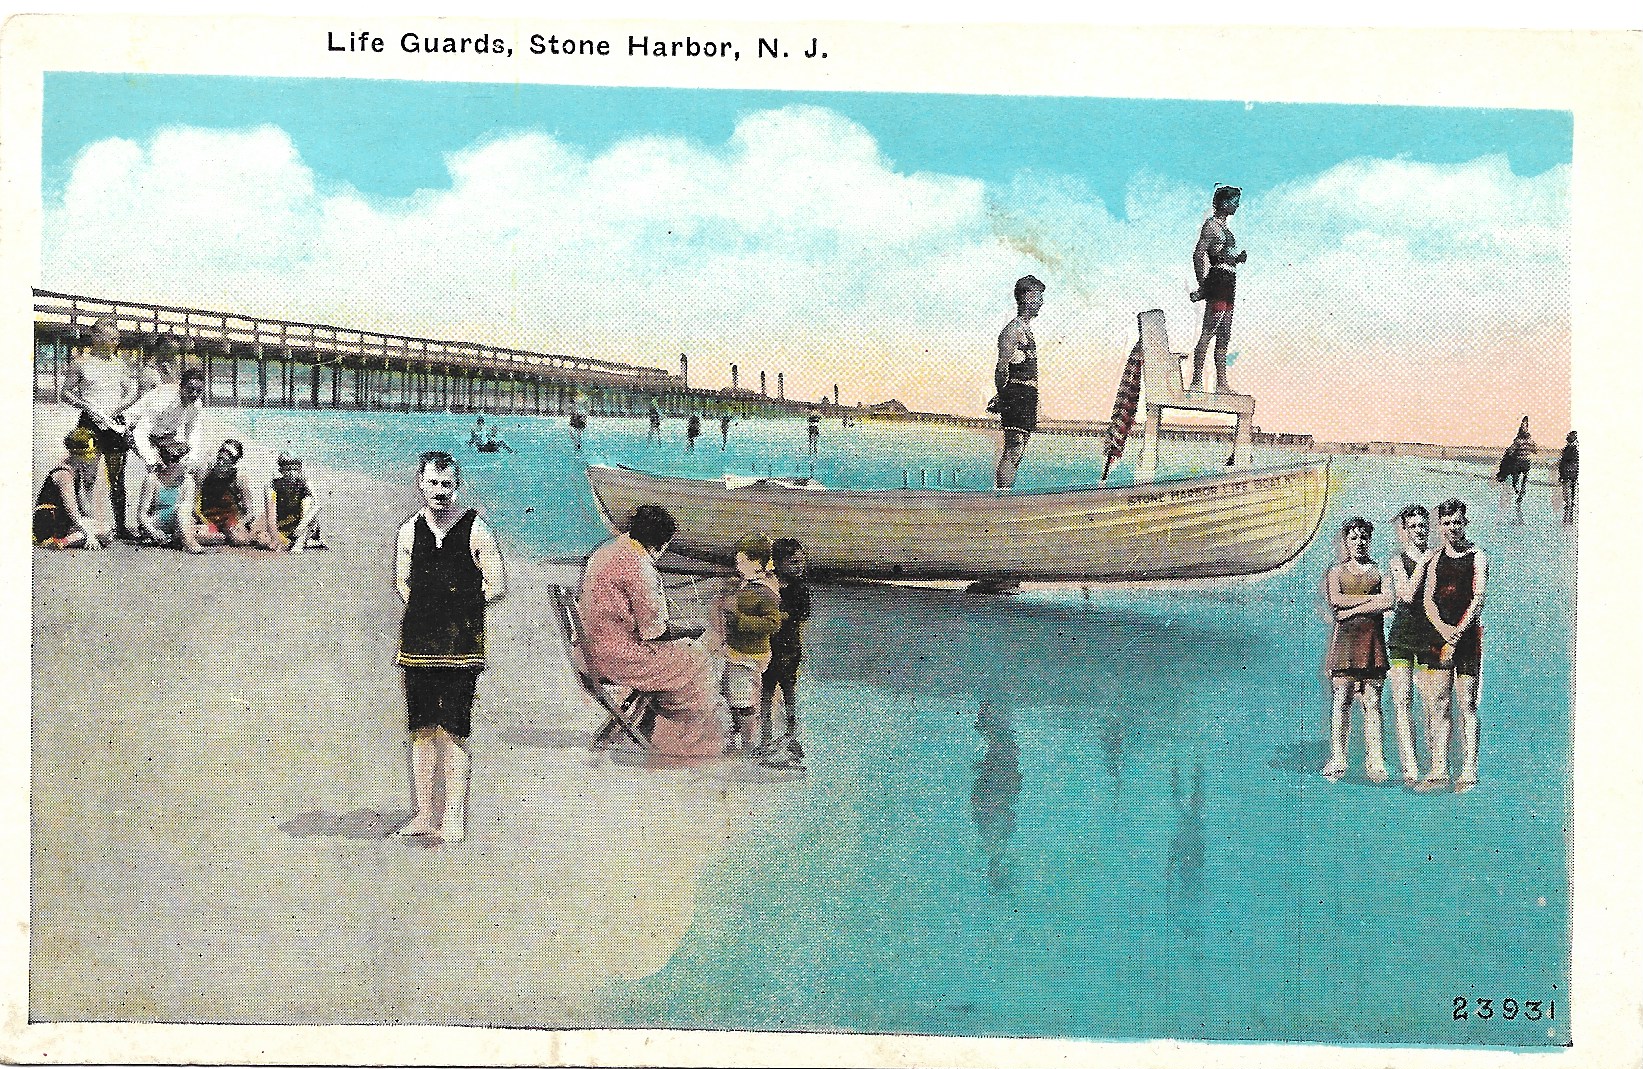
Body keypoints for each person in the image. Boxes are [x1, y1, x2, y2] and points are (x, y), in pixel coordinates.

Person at [394, 451, 506, 842]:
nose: (440, 491)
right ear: (420, 485)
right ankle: (424, 815)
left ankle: (453, 820)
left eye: (447, 484)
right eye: (433, 483)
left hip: (463, 648)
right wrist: (429, 614)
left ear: (457, 488)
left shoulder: (476, 528)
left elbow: (496, 584)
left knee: (455, 731)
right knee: (422, 729)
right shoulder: (409, 531)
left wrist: (459, 613)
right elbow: (403, 585)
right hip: (418, 645)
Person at [578, 504, 725, 763]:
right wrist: (686, 630)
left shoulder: (606, 551)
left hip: (588, 652)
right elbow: (654, 630)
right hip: (616, 659)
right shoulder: (640, 565)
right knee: (697, 658)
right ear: (661, 543)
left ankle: (651, 726)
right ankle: (684, 738)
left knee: (681, 656)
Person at [1416, 499, 1487, 793]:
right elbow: (1428, 600)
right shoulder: (1434, 559)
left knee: (1466, 703)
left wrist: (1457, 632)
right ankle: (1438, 768)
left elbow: (1478, 598)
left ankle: (1469, 768)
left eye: (1457, 522)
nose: (1452, 528)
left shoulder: (1477, 555)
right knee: (1439, 703)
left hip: (1467, 637)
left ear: (1464, 523)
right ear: (1440, 526)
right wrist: (1444, 631)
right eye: (1446, 523)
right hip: (1439, 637)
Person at [1320, 517, 1393, 783]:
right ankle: (1338, 756)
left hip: (1372, 642)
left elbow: (1389, 601)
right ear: (1346, 541)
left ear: (1369, 541)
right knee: (1342, 700)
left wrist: (1353, 610)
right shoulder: (1336, 572)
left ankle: (1375, 757)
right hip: (1346, 643)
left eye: (1364, 537)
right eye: (1354, 538)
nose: (1360, 542)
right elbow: (1336, 600)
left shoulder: (1379, 571)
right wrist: (1372, 600)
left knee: (1373, 703)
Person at [59, 316, 137, 540]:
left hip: (114, 423)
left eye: (117, 338)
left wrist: (117, 409)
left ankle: (121, 527)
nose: (114, 342)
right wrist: (85, 405)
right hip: (90, 423)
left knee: (117, 476)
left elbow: (131, 392)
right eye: (110, 337)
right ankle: (83, 522)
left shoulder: (121, 364)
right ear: (95, 336)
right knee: (88, 475)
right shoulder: (80, 362)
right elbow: (65, 392)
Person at [1384, 505, 1439, 787]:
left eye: (1423, 526)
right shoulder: (1397, 561)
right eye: (1414, 526)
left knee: (1431, 701)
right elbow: (1405, 595)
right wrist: (1423, 563)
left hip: (1429, 638)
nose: (1420, 531)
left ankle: (1434, 764)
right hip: (1402, 637)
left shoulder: (1438, 558)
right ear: (1405, 531)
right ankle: (1410, 766)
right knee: (1402, 701)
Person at [720, 535, 785, 754]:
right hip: (737, 651)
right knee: (730, 693)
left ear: (757, 562)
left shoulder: (765, 592)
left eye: (742, 562)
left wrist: (741, 620)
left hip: (749, 655)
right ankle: (738, 733)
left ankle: (747, 743)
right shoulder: (747, 585)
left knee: (742, 699)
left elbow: (773, 623)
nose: (737, 566)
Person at [757, 537, 812, 770]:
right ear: (778, 564)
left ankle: (790, 734)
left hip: (788, 648)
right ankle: (766, 737)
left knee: (787, 689)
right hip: (769, 646)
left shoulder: (800, 589)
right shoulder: (771, 586)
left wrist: (776, 616)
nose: (799, 566)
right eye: (793, 562)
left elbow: (801, 614)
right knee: (767, 691)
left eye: (801, 562)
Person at [1189, 185, 1248, 393]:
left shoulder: (1226, 229)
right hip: (1219, 281)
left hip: (1229, 280)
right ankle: (1196, 381)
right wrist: (1203, 285)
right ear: (1224, 203)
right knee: (1209, 330)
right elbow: (1199, 254)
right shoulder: (1211, 226)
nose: (1237, 206)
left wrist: (1237, 259)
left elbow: (1225, 255)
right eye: (1234, 201)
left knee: (1224, 332)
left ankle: (1222, 384)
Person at [992, 275, 1045, 490]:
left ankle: (1005, 495)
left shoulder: (1025, 329)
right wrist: (1004, 396)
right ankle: (1002, 499)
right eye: (1038, 296)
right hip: (1017, 394)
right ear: (1025, 297)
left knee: (1018, 450)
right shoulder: (1012, 330)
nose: (1041, 302)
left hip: (1027, 395)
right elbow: (1001, 369)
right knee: (1014, 447)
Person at [33, 428, 110, 550]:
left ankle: (71, 537)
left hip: (61, 519)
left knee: (104, 528)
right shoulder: (65, 475)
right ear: (75, 453)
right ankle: (62, 541)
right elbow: (73, 512)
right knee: (100, 531)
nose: (89, 460)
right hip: (49, 523)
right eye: (85, 457)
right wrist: (89, 535)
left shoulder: (74, 468)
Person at [187, 439, 264, 550]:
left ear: (235, 460)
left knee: (239, 539)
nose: (224, 456)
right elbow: (194, 504)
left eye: (229, 454)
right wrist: (200, 521)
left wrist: (240, 524)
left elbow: (250, 513)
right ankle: (219, 537)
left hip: (230, 520)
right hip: (207, 518)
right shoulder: (206, 472)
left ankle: (224, 536)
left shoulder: (239, 478)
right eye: (222, 451)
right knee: (196, 534)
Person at [128, 366, 206, 475]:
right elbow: (140, 432)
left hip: (161, 435)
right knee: (153, 470)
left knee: (185, 455)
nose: (194, 394)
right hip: (133, 429)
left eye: (198, 391)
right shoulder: (164, 400)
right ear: (181, 387)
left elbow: (193, 433)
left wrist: (192, 459)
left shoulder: (196, 404)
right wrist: (150, 458)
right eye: (190, 389)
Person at [133, 434, 203, 551]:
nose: (170, 462)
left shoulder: (187, 481)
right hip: (157, 523)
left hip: (177, 523)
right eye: (165, 456)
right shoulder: (153, 479)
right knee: (181, 509)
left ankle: (182, 538)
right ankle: (188, 541)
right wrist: (154, 532)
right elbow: (142, 515)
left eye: (175, 458)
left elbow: (187, 510)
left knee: (188, 514)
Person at [261, 452, 325, 552]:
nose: (291, 473)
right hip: (283, 522)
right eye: (287, 469)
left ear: (299, 470)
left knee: (307, 501)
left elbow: (317, 504)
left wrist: (301, 526)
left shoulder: (304, 482)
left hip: (302, 522)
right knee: (262, 540)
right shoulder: (272, 485)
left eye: (295, 469)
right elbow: (270, 511)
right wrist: (274, 536)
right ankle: (299, 541)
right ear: (281, 471)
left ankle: (301, 540)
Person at [1558, 430, 1579, 524]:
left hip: (1568, 474)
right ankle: (1569, 517)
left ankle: (1568, 517)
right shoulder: (1573, 448)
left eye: (1569, 436)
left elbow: (1565, 461)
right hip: (1572, 474)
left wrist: (1562, 474)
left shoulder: (1571, 449)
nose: (1568, 437)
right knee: (1570, 495)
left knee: (1567, 495)